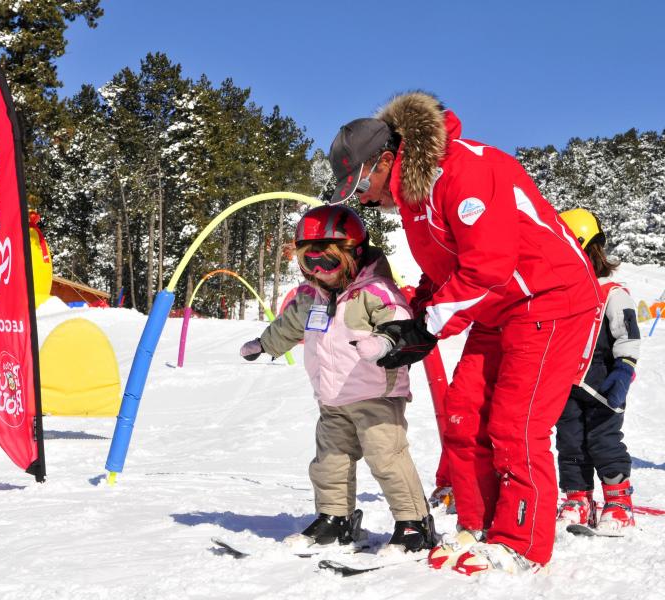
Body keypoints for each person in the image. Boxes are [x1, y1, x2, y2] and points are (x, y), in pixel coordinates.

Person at [327, 91, 602, 574]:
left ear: (386, 160)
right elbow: (444, 269)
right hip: (498, 309)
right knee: (463, 416)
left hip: (551, 299)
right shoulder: (414, 199)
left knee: (516, 424)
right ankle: (478, 525)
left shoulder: (467, 171)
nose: (364, 199)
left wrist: (426, 328)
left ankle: (521, 544)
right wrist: (409, 316)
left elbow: (489, 265)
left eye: (361, 185)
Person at [239, 204, 437, 554]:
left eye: (327, 262)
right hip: (331, 398)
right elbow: (289, 326)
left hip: (376, 394)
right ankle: (335, 518)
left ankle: (413, 523)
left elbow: (401, 323)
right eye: (308, 262)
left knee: (387, 458)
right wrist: (263, 344)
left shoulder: (376, 291)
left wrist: (382, 343)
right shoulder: (310, 296)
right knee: (329, 461)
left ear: (352, 255)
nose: (319, 271)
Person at [555, 208, 639, 536]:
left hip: (604, 383)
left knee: (604, 441)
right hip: (566, 383)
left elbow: (628, 334)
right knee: (570, 444)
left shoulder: (611, 291)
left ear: (590, 249)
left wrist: (624, 370)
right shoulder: (560, 292)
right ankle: (579, 501)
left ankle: (619, 504)